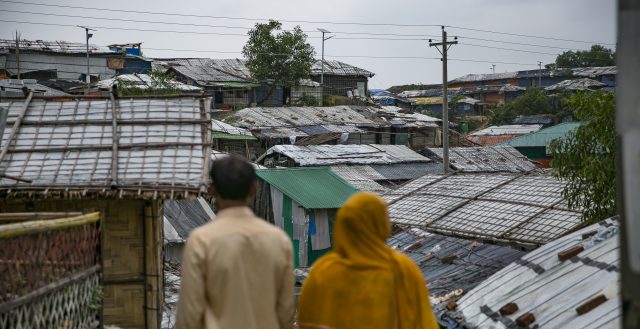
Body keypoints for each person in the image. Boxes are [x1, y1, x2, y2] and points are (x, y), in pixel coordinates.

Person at [175, 156, 294, 329]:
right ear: (253, 190)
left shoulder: (201, 241)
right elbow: (286, 313)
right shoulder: (279, 240)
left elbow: (189, 316)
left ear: (211, 190)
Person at [297, 192, 439, 329]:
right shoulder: (403, 270)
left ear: (342, 226)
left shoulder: (322, 273)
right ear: (383, 226)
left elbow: (308, 321)